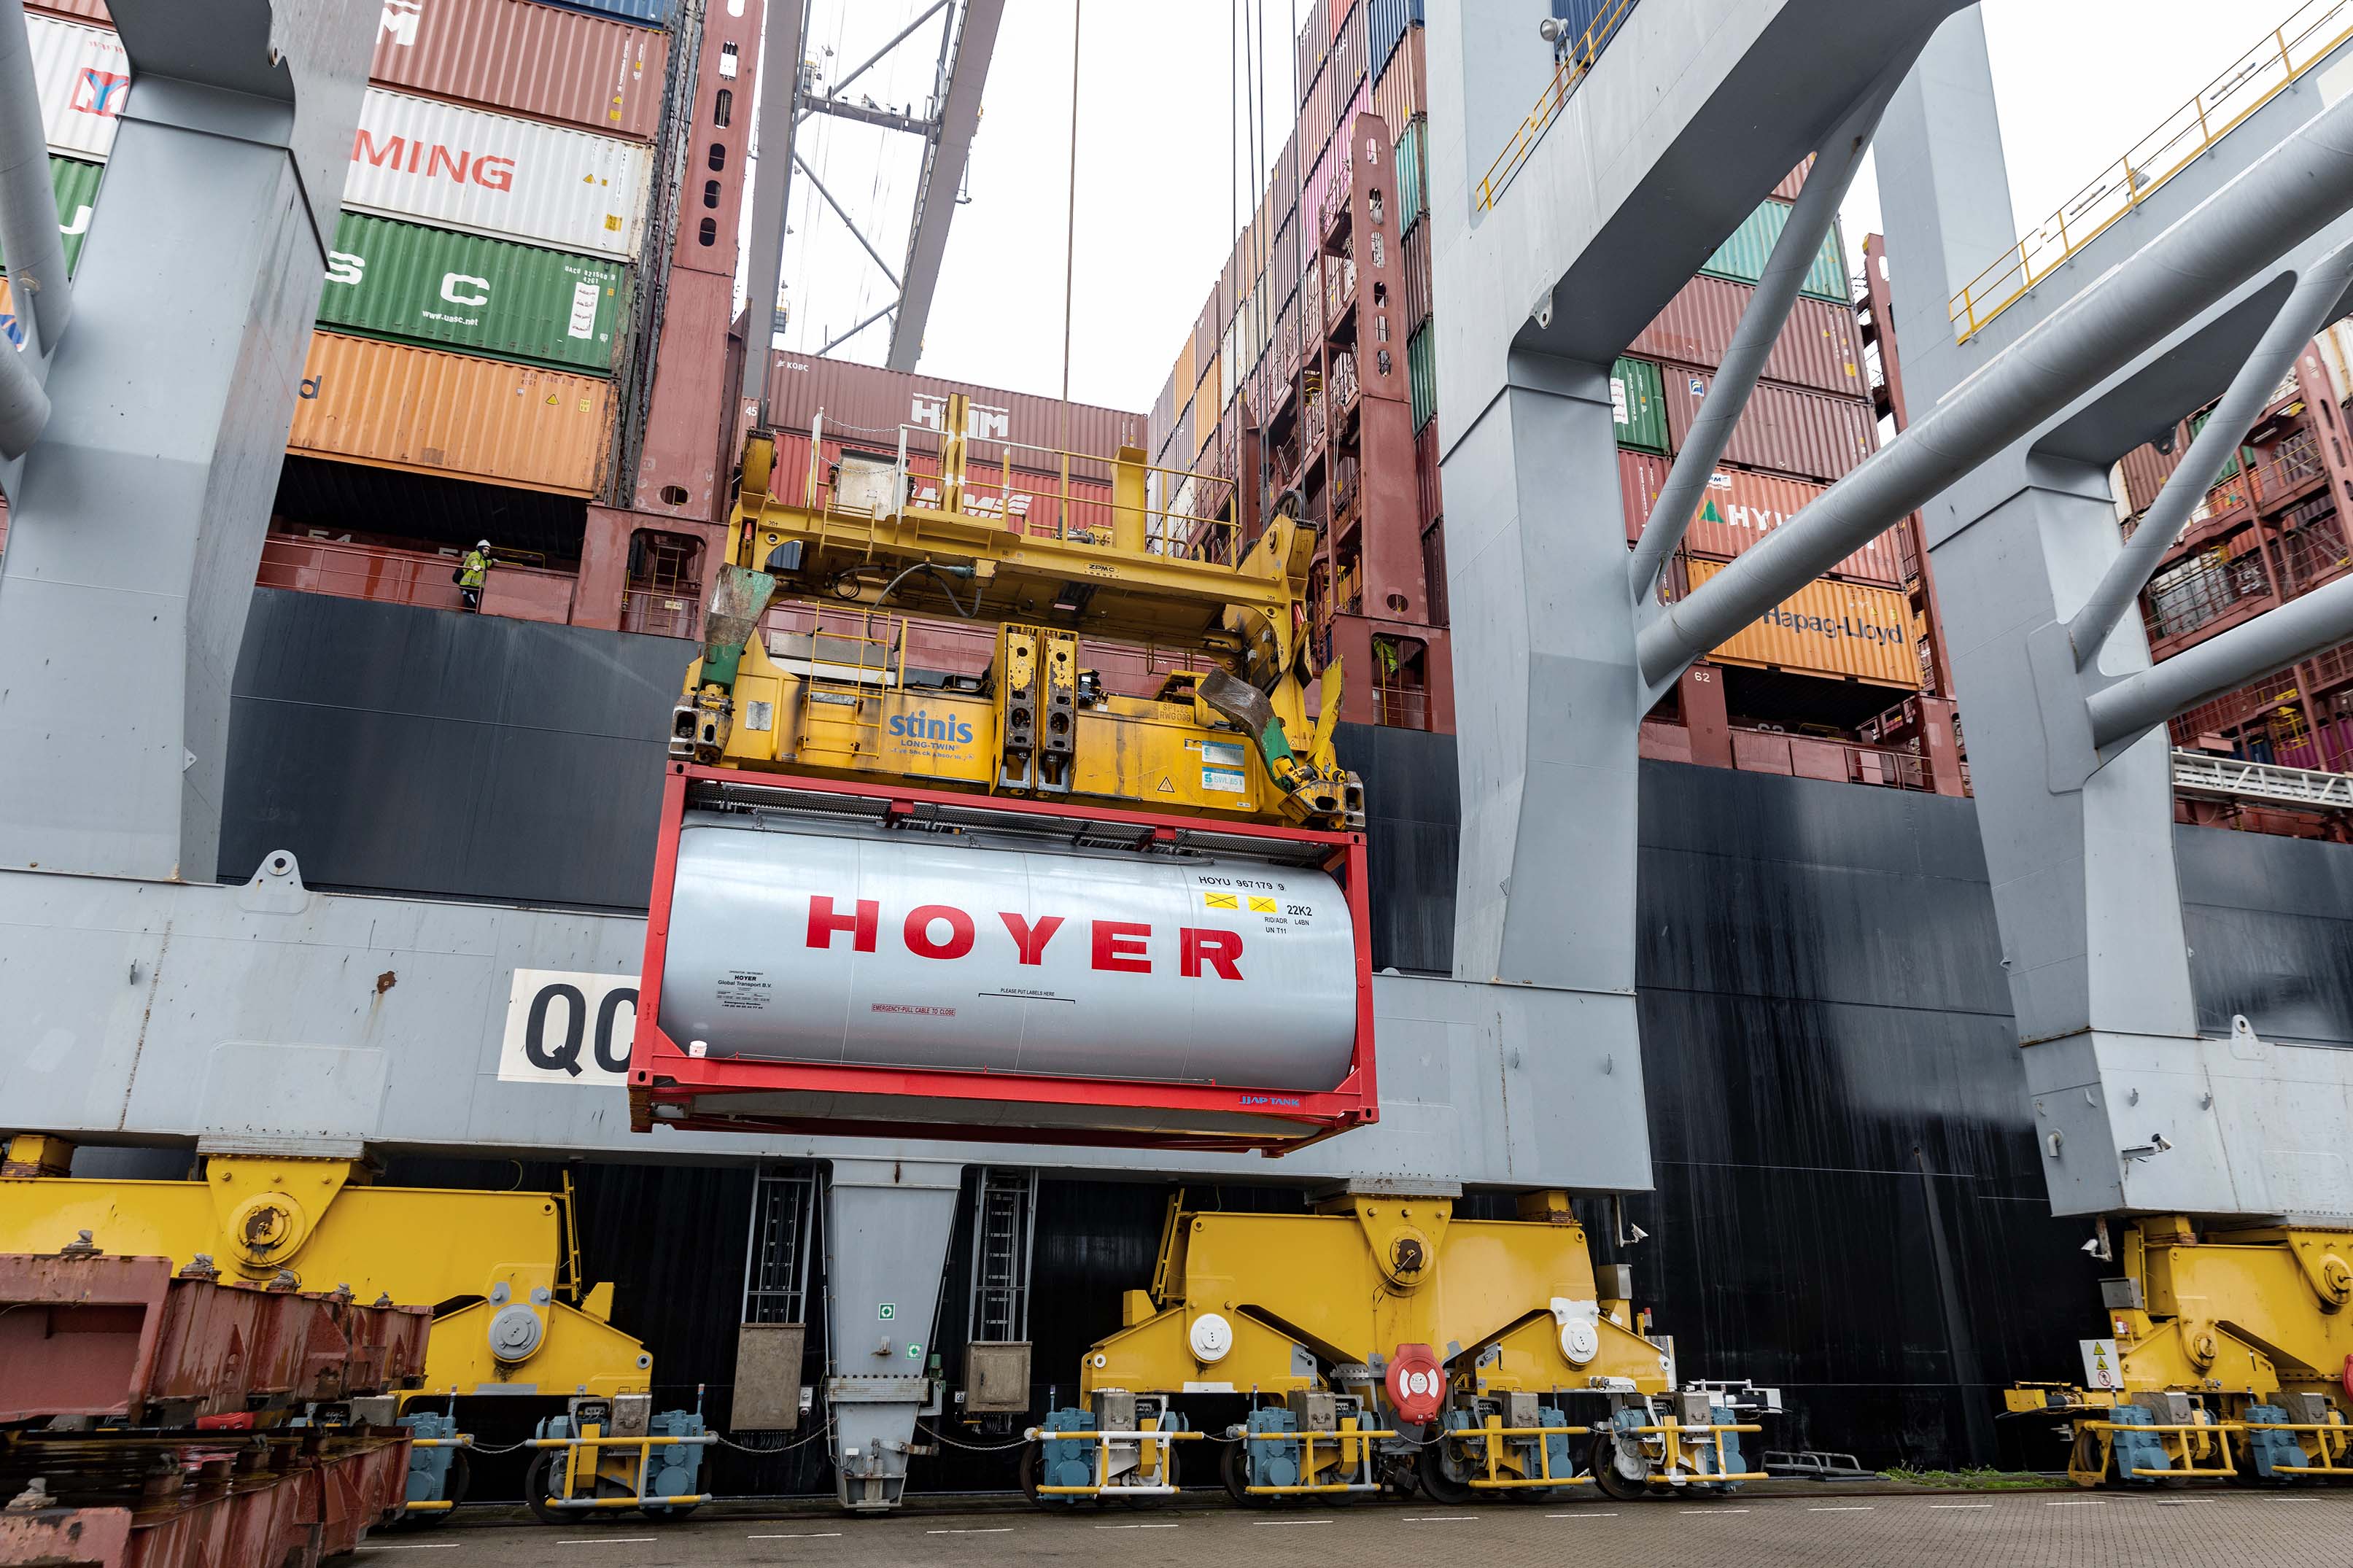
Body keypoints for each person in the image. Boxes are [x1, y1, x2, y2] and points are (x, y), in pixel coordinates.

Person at [457, 540, 492, 610]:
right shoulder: (475, 554)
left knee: (472, 605)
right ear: (480, 548)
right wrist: (475, 566)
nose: (487, 551)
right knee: (472, 605)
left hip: (474, 587)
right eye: (485, 549)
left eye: (488, 550)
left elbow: (486, 563)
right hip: (469, 585)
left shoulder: (483, 560)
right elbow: (474, 560)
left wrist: (493, 561)